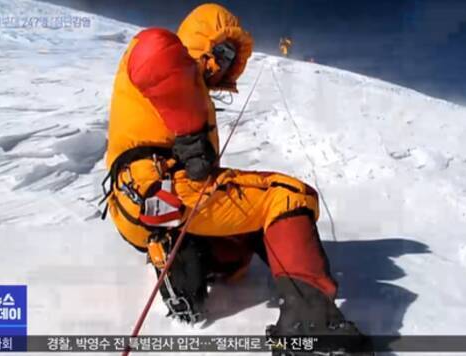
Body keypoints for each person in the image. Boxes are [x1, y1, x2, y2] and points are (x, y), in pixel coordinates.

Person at [102, 3, 370, 354]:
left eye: (232, 59)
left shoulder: (189, 91)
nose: (225, 63)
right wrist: (193, 131)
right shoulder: (161, 51)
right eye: (223, 51)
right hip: (156, 183)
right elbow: (156, 54)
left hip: (145, 208)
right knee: (287, 195)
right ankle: (311, 324)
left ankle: (184, 256)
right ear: (201, 40)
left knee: (241, 243)